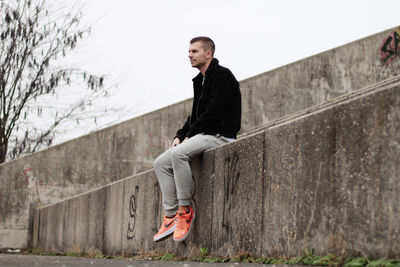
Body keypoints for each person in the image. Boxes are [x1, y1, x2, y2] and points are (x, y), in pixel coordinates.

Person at [153, 36, 241, 242]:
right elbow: (194, 116)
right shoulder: (200, 81)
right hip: (204, 134)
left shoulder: (222, 76)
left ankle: (185, 210)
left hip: (220, 136)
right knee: (160, 163)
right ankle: (171, 216)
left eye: (194, 51)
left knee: (179, 154)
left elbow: (213, 113)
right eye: (189, 51)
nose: (189, 55)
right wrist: (180, 135)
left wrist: (189, 136)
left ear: (208, 53)